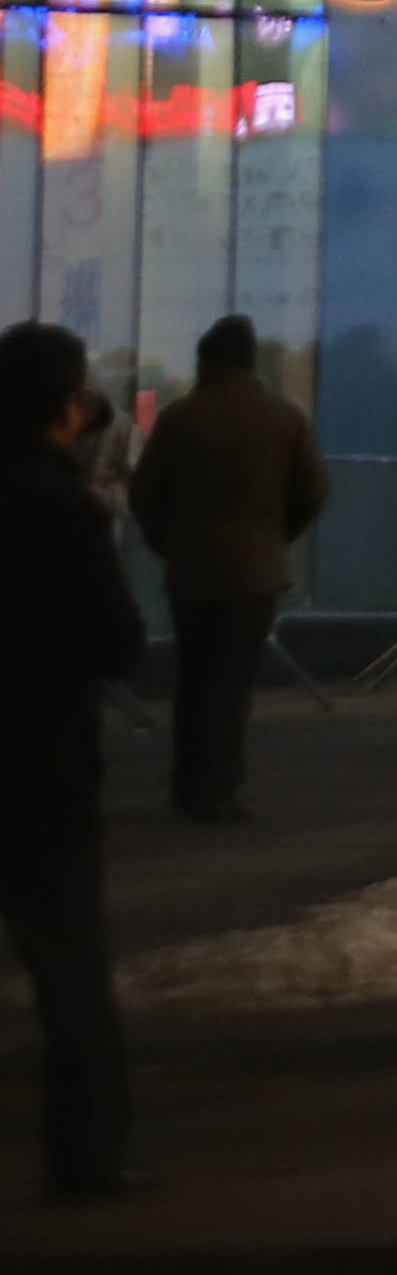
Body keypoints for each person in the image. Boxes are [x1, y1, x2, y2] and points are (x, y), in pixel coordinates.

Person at [0, 323, 137, 1203]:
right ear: (64, 409)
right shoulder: (63, 510)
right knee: (70, 972)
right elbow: (117, 640)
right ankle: (85, 1161)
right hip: (41, 762)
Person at [126, 314, 325, 826]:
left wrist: (167, 543)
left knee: (193, 679)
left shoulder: (179, 418)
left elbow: (144, 494)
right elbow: (315, 489)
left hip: (192, 570)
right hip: (255, 573)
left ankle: (189, 787)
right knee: (232, 683)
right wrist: (277, 535)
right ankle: (220, 790)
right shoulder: (284, 418)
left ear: (205, 361)